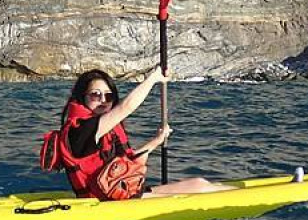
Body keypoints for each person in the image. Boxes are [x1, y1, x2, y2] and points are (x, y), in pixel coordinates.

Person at [56, 68, 235, 200]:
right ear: (82, 98)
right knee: (201, 187)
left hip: (122, 195)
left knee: (202, 183)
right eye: (95, 95)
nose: (103, 101)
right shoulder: (81, 131)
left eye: (108, 96)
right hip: (109, 203)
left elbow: (129, 162)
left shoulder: (101, 129)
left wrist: (155, 141)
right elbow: (126, 107)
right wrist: (154, 78)